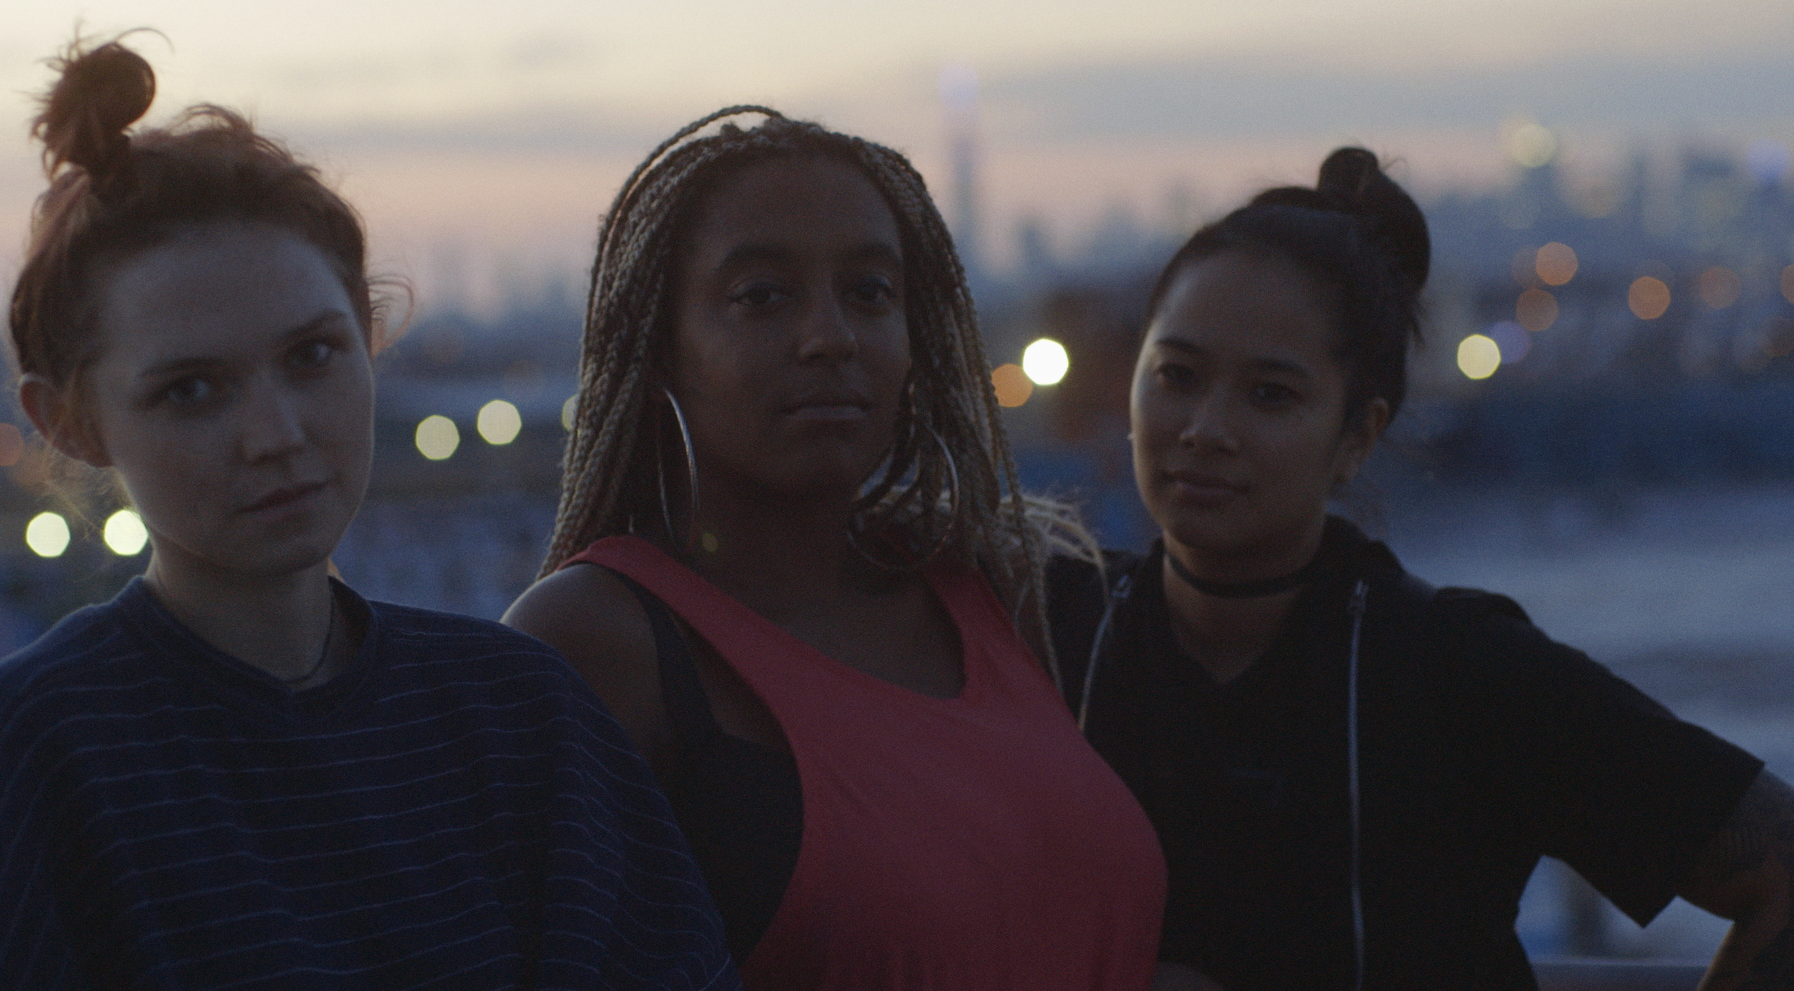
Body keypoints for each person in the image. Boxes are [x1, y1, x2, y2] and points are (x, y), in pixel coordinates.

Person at [0, 36, 736, 990]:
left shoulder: (523, 717)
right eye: (193, 390)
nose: (275, 434)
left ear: (369, 335)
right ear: (69, 422)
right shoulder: (25, 765)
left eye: (312, 356)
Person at [1048, 147, 1794, 991]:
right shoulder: (1046, 635)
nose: (1205, 428)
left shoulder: (1456, 674)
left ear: (1357, 437)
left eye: (1271, 395)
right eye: (1177, 376)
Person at [505, 106, 1167, 990]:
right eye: (761, 296)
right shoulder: (597, 644)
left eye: (869, 292)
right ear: (658, 349)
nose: (830, 337)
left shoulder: (1002, 588)